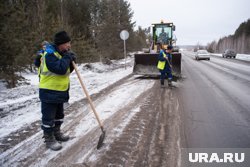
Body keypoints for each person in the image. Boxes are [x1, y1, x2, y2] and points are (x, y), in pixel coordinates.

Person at [38, 31, 76, 151]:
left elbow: (66, 71)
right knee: (48, 118)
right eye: (67, 43)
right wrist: (66, 58)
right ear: (60, 44)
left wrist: (71, 61)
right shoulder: (49, 54)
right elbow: (59, 69)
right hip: (48, 91)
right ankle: (49, 139)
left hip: (60, 91)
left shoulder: (61, 53)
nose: (69, 46)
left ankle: (57, 133)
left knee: (59, 116)